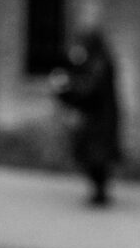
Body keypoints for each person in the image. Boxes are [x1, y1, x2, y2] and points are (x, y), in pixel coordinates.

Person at [50, 29, 122, 206]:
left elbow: (89, 92)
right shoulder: (95, 62)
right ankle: (99, 192)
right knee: (92, 156)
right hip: (97, 119)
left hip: (99, 121)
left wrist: (65, 90)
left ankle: (100, 193)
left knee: (97, 157)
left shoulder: (99, 64)